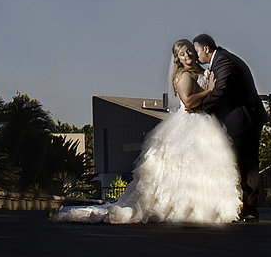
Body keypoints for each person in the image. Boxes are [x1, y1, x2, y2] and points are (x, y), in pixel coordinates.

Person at [51, 40, 241, 224]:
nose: (187, 55)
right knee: (182, 167)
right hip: (189, 123)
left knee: (206, 167)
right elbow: (189, 101)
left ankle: (205, 207)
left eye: (189, 51)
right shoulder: (183, 76)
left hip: (204, 121)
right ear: (178, 59)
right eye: (182, 54)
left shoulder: (201, 71)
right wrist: (208, 91)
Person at [187, 33, 264, 221]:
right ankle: (240, 206)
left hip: (244, 120)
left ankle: (250, 209)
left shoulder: (224, 62)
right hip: (236, 119)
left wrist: (200, 108)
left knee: (247, 164)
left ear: (206, 49)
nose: (196, 56)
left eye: (197, 51)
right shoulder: (220, 61)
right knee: (238, 163)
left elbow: (220, 90)